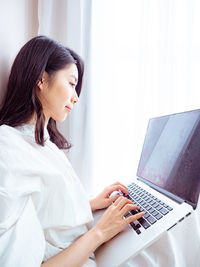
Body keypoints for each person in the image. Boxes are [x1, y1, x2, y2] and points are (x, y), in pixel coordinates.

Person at [0, 36, 144, 267]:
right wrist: (100, 232)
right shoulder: (8, 145)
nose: (76, 97)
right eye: (71, 83)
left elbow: (43, 213)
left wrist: (89, 203)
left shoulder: (45, 146)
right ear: (41, 78)